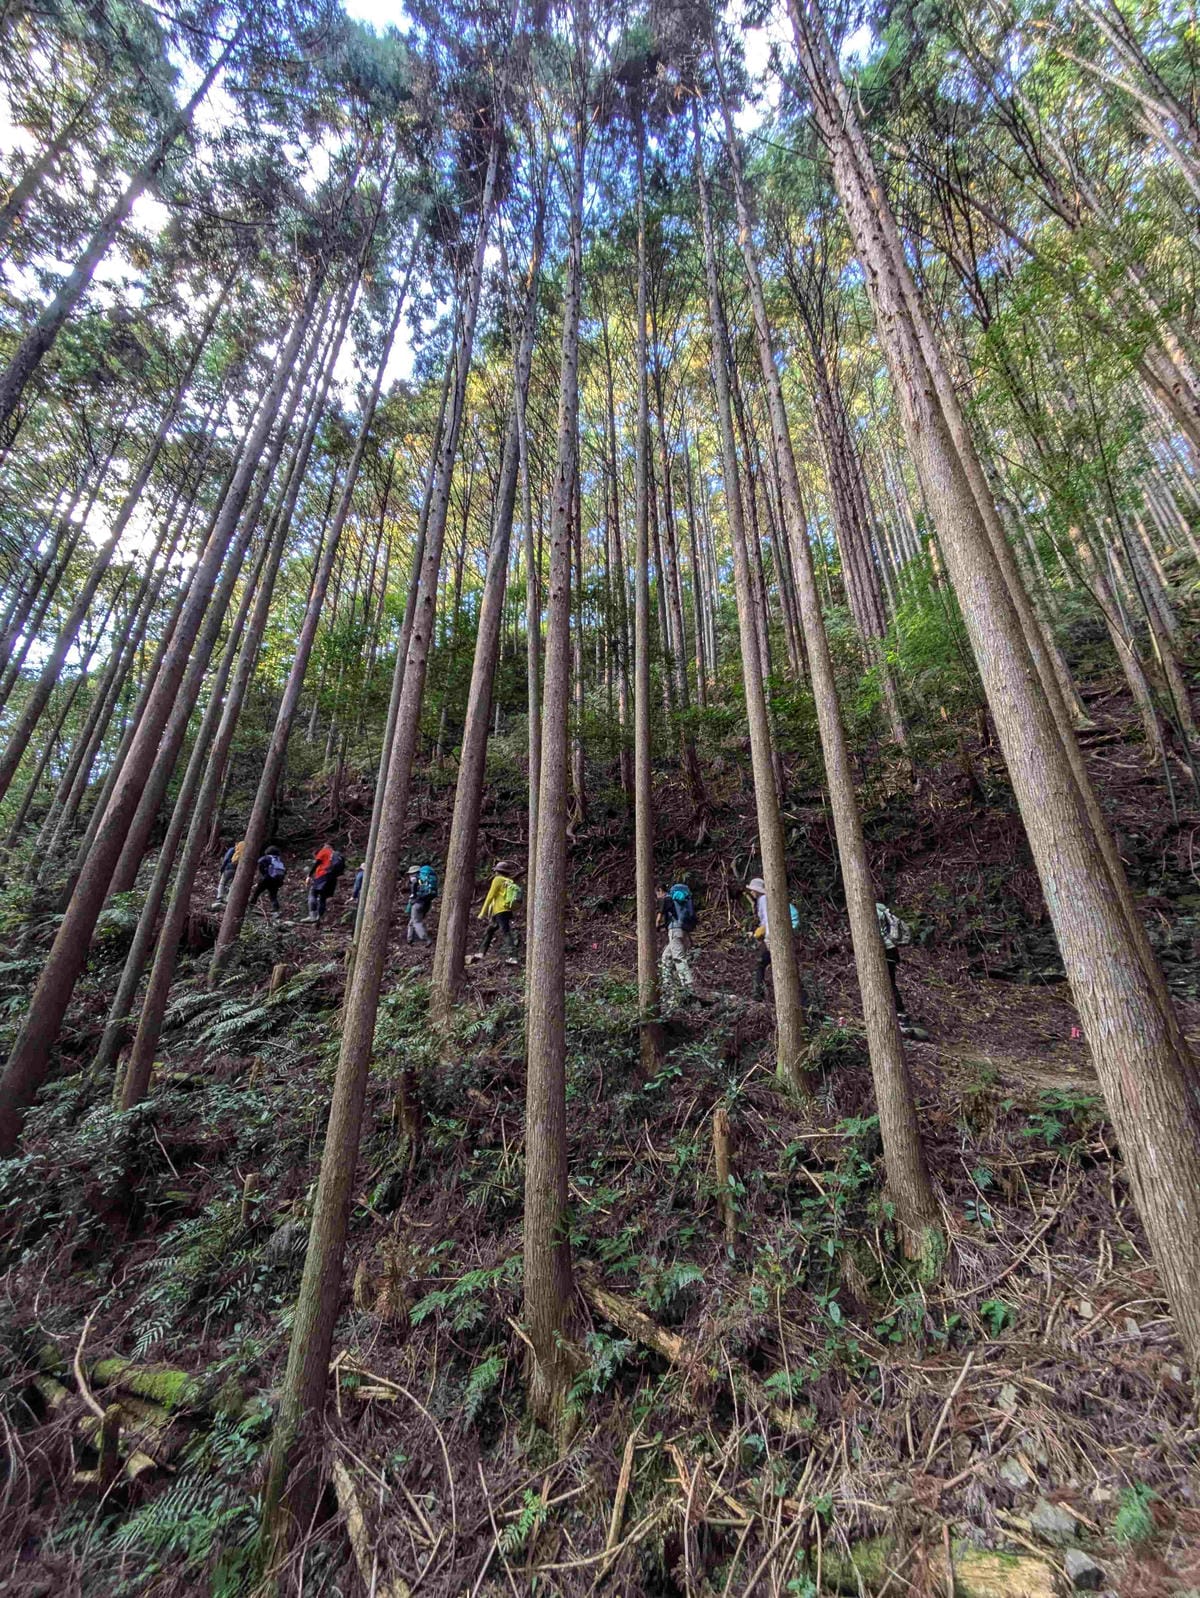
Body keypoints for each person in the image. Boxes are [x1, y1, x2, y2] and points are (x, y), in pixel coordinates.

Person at [746, 877, 801, 1002]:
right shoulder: (765, 899)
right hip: (782, 933)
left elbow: (769, 921)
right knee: (782, 964)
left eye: (752, 890)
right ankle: (799, 999)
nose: (751, 893)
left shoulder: (764, 900)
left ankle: (757, 995)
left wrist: (768, 939)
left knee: (761, 963)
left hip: (776, 936)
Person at [876, 901, 922, 1036]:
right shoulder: (880, 907)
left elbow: (877, 933)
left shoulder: (872, 911)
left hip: (885, 950)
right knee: (890, 982)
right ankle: (898, 1014)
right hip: (891, 949)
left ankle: (901, 1016)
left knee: (889, 983)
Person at [656, 881, 697, 1006]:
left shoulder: (666, 898)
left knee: (679, 957)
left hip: (675, 931)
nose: (657, 896)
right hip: (683, 931)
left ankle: (689, 987)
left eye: (656, 893)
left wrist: (656, 924)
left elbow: (661, 913)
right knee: (666, 956)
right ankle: (668, 987)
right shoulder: (679, 902)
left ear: (659, 890)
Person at [475, 860, 521, 962]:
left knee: (506, 932)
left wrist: (482, 912)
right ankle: (481, 952)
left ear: (498, 871)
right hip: (506, 910)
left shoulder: (497, 880)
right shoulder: (509, 881)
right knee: (490, 929)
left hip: (500, 910)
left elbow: (490, 896)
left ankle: (513, 956)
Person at [307, 843, 345, 924]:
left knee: (313, 893)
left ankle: (313, 916)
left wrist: (309, 875)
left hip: (322, 876)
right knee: (323, 898)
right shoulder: (337, 855)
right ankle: (320, 918)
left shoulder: (325, 851)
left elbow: (316, 863)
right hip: (332, 879)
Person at [405, 862, 438, 946]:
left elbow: (414, 894)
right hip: (426, 903)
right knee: (412, 921)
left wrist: (413, 899)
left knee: (417, 922)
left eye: (410, 874)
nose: (409, 876)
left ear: (414, 873)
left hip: (417, 903)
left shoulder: (415, 880)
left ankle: (426, 939)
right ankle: (409, 940)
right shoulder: (424, 880)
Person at [250, 843, 286, 917]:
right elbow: (285, 871)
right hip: (277, 880)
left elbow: (260, 862)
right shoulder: (279, 860)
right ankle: (275, 909)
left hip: (267, 879)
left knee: (257, 892)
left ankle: (251, 906)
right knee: (273, 895)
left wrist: (264, 872)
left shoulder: (267, 858)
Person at [214, 838, 244, 906]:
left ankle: (219, 897)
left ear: (236, 843)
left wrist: (221, 869)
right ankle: (228, 899)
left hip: (229, 868)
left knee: (222, 883)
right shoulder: (244, 851)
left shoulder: (232, 849)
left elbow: (226, 859)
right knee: (232, 885)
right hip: (237, 870)